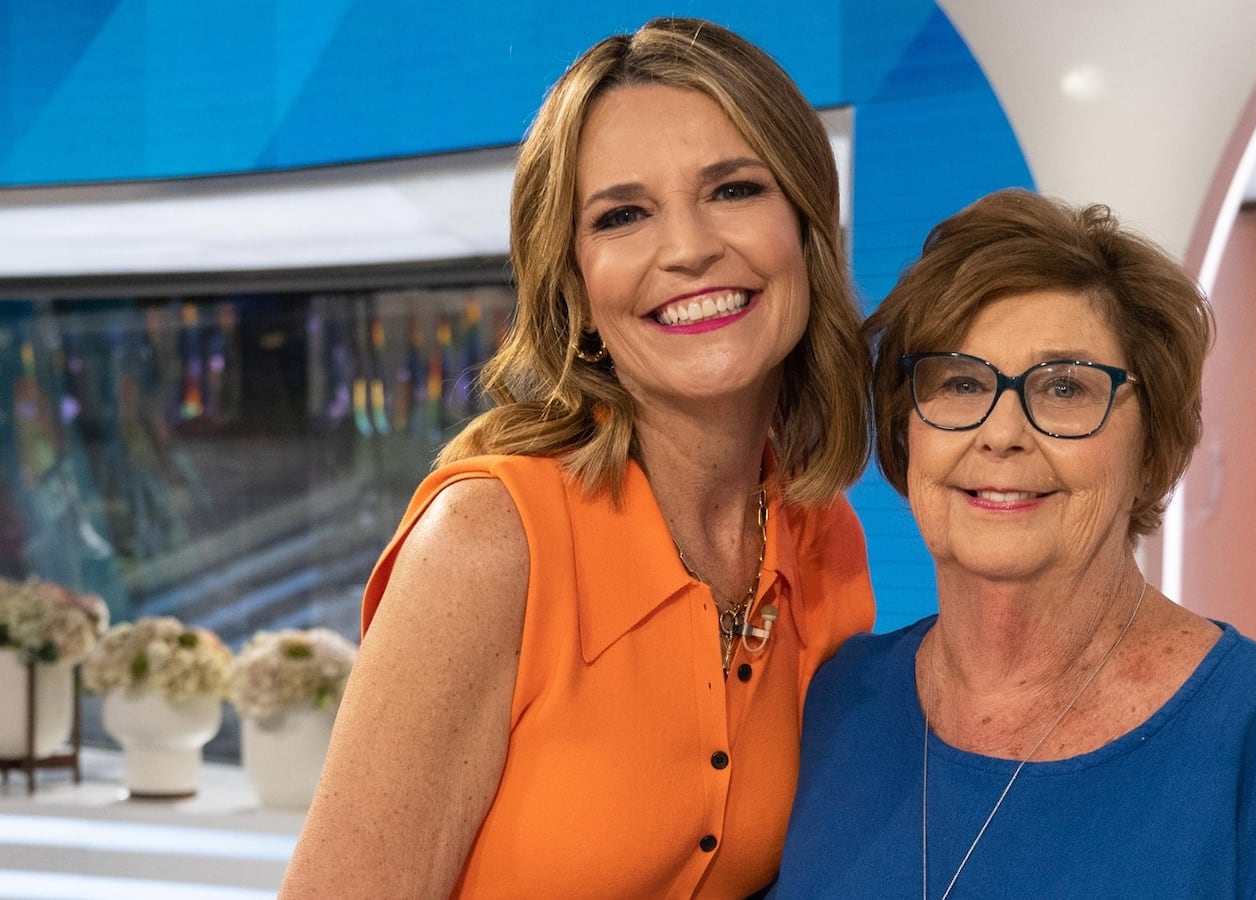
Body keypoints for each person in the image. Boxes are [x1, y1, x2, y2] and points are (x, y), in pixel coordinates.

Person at [280, 18, 874, 899]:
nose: (687, 248)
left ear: (806, 231)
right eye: (623, 215)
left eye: (735, 189)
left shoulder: (826, 539)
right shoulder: (486, 543)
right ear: (578, 291)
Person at [771, 189, 1256, 898]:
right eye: (959, 382)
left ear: (1150, 447)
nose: (1002, 432)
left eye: (1065, 389)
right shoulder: (837, 700)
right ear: (904, 432)